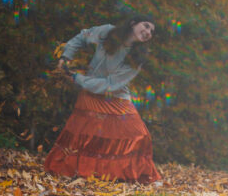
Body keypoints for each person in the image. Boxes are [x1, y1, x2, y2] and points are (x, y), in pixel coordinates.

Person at [44, 15, 162, 183]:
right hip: (90, 92)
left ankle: (132, 174)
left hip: (114, 97)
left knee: (139, 135)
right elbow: (82, 36)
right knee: (86, 136)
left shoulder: (138, 57)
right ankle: (80, 172)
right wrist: (65, 57)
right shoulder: (108, 32)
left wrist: (77, 78)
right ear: (133, 23)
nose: (148, 32)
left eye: (152, 31)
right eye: (146, 25)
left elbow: (111, 84)